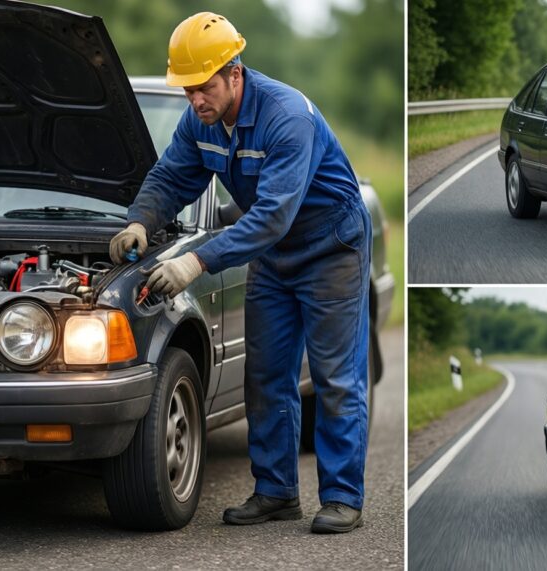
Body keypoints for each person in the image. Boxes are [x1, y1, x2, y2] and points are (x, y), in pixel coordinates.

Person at [109, 12, 371, 534]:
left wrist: (194, 261)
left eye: (203, 87)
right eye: (187, 91)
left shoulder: (286, 117)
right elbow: (171, 176)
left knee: (335, 377)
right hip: (273, 253)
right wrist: (139, 221)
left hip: (330, 248)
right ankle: (276, 492)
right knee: (266, 374)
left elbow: (272, 216)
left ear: (235, 73)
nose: (195, 101)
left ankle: (343, 497)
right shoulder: (201, 120)